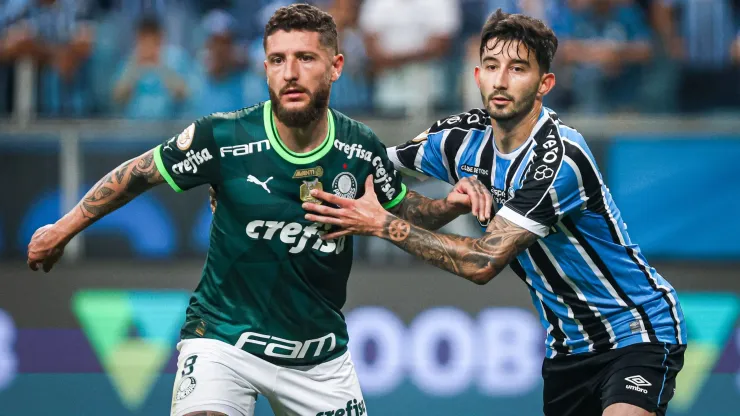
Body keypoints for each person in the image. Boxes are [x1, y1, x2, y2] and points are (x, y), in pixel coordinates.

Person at [26, 4, 493, 416]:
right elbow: (137, 173)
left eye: (305, 58)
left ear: (336, 66)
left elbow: (403, 210)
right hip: (224, 339)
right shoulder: (222, 138)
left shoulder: (360, 149)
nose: (289, 72)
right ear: (265, 69)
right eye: (277, 60)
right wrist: (61, 229)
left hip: (319, 359)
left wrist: (445, 206)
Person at [303, 9, 688, 416]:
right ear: (477, 76)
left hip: (637, 330)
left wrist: (381, 224)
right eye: (491, 66)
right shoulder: (458, 140)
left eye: (518, 68)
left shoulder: (559, 159)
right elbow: (365, 164)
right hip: (567, 348)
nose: (501, 80)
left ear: (545, 84)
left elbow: (483, 263)